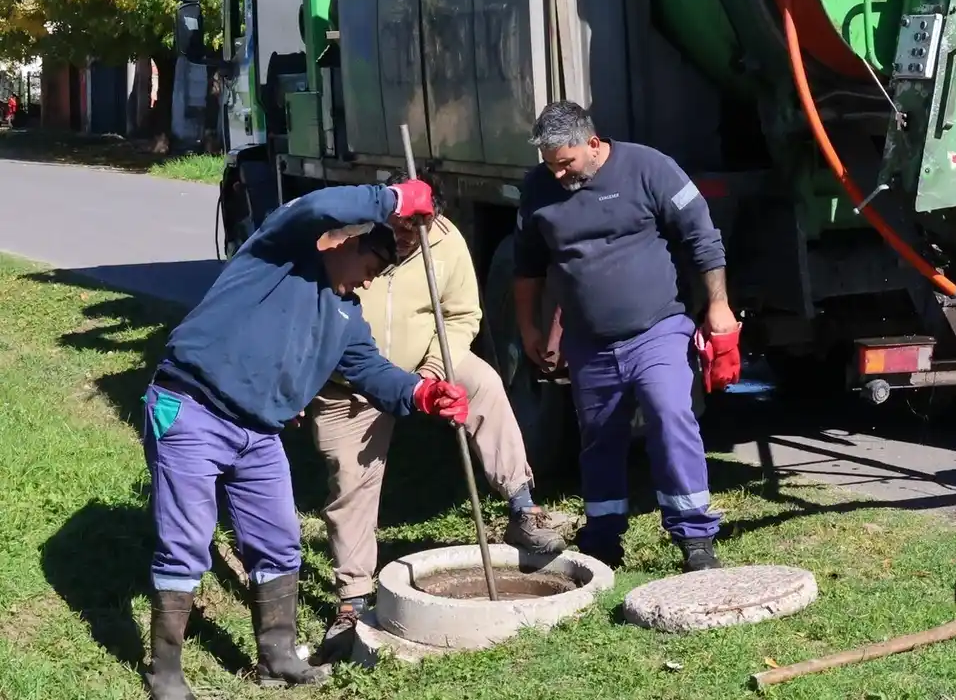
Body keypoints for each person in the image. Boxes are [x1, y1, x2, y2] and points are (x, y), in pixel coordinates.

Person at [140, 181, 469, 700]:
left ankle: (277, 659)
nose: (370, 279)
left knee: (279, 543)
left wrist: (423, 393)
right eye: (371, 264)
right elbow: (316, 206)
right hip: (192, 410)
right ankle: (165, 674)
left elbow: (372, 372)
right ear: (345, 241)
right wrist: (393, 199)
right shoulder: (280, 253)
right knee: (186, 544)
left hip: (259, 433)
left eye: (381, 271)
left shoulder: (346, 315)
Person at [306, 172, 566, 651]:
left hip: (426, 360)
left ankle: (522, 505)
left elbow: (461, 316)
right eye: (403, 223)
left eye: (421, 224)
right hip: (349, 382)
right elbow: (300, 314)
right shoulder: (342, 238)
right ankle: (353, 599)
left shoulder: (445, 241)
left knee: (484, 384)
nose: (411, 235)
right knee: (351, 482)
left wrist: (432, 371)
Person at [513, 100, 742, 573]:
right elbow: (527, 266)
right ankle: (602, 539)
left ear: (592, 143)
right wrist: (529, 326)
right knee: (599, 437)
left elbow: (702, 236)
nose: (558, 174)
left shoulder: (649, 168)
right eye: (550, 165)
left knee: (669, 413)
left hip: (657, 329)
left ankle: (695, 536)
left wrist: (718, 303)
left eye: (565, 162)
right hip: (588, 341)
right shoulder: (538, 188)